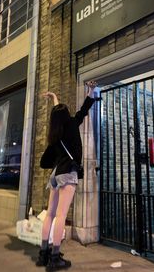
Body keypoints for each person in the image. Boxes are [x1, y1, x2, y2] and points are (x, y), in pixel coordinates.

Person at [36, 80, 97, 271]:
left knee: (50, 214)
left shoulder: (54, 132)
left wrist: (54, 97)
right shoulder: (71, 123)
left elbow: (57, 111)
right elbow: (82, 111)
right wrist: (91, 92)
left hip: (55, 174)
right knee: (61, 215)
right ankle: (55, 259)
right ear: (65, 115)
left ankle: (43, 254)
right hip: (67, 172)